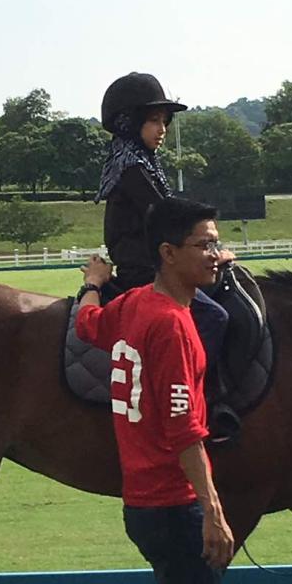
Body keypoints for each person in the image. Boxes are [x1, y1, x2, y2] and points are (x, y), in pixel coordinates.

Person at [48, 197, 234, 584]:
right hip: (173, 504)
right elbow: (184, 432)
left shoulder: (132, 304)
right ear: (168, 253)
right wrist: (213, 512)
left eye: (216, 243)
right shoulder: (173, 326)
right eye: (204, 245)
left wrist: (91, 282)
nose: (215, 254)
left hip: (144, 503)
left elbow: (88, 324)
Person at [96, 71, 231, 376]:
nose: (163, 130)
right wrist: (212, 252)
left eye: (165, 122)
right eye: (154, 120)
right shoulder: (132, 168)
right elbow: (171, 218)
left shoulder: (140, 162)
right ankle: (191, 384)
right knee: (215, 317)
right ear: (130, 123)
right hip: (146, 272)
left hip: (155, 265)